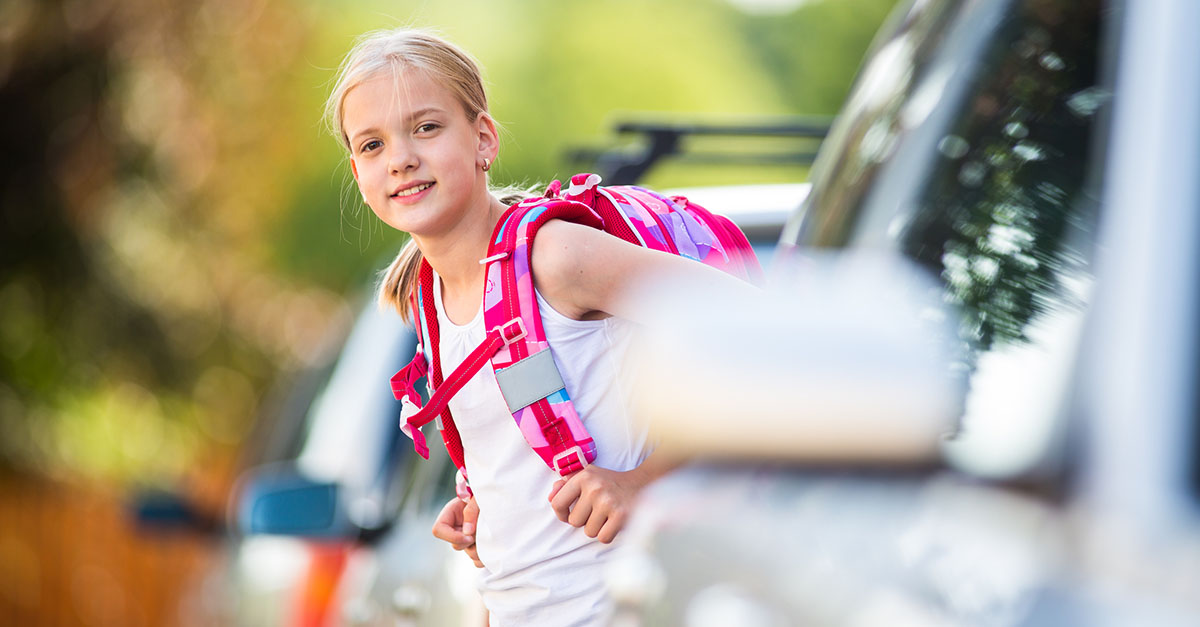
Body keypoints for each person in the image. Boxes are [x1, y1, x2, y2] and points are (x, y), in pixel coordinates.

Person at [323, 27, 753, 626]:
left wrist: (638, 482)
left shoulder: (554, 257)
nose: (400, 159)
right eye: (372, 145)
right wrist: (488, 506)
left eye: (426, 127)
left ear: (483, 139)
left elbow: (752, 329)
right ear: (358, 173)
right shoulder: (430, 301)